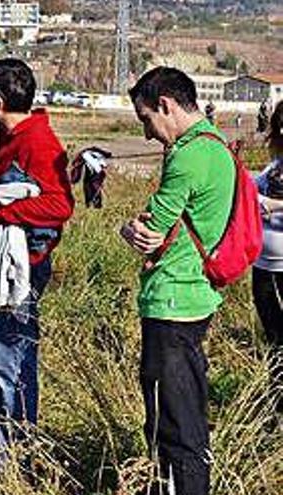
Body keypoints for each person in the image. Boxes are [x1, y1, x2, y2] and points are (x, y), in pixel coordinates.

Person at [119, 67, 236, 495]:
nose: (149, 134)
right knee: (180, 412)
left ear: (165, 105)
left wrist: (128, 229)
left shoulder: (187, 155)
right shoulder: (215, 146)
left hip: (172, 301)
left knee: (174, 423)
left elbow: (151, 231)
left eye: (147, 119)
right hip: (195, 296)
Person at [0, 59, 74, 454]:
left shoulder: (37, 141)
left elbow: (60, 205)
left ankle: (15, 445)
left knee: (10, 357)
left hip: (21, 268)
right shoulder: (14, 135)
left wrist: (6, 213)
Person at [253, 100, 283, 403]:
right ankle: (276, 407)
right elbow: (253, 188)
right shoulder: (275, 167)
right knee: (274, 340)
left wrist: (272, 206)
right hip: (264, 267)